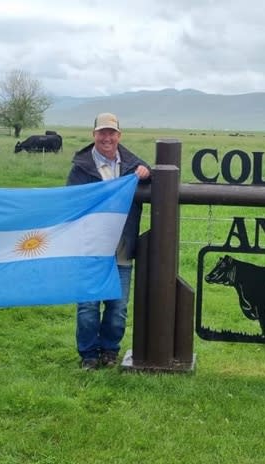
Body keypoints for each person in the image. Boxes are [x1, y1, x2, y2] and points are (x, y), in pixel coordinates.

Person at [66, 112, 151, 370]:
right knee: (88, 308)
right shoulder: (81, 168)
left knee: (118, 308)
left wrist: (148, 174)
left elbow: (157, 178)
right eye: (102, 132)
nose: (107, 137)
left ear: (119, 135)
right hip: (91, 251)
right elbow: (71, 202)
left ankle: (110, 350)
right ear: (94, 135)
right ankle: (89, 355)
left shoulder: (131, 165)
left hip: (121, 249)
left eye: (111, 132)